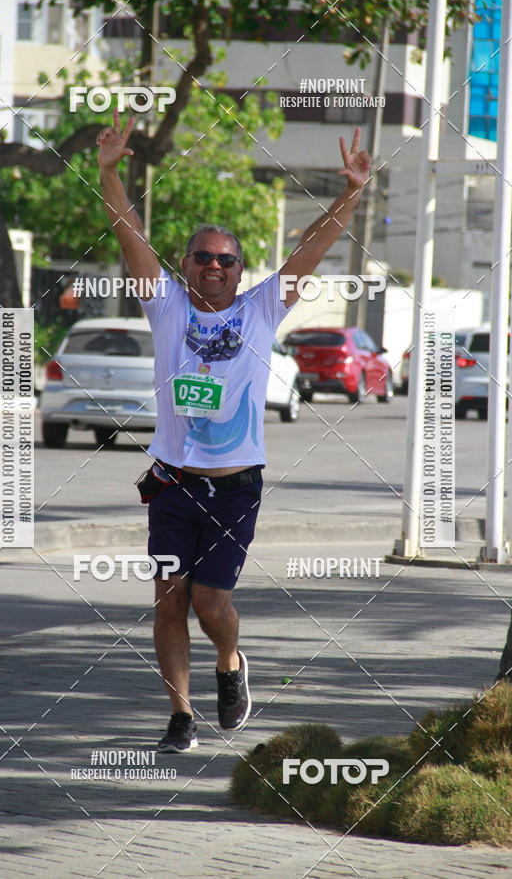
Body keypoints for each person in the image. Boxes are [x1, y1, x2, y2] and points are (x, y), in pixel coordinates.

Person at [97, 110, 370, 752]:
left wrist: (352, 191)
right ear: (184, 264)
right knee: (169, 601)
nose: (214, 266)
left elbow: (311, 248)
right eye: (203, 257)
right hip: (170, 485)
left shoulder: (261, 308)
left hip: (235, 488)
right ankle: (181, 716)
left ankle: (230, 664)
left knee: (211, 606)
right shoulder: (163, 304)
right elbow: (125, 229)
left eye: (226, 259)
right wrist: (109, 172)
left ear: (240, 272)